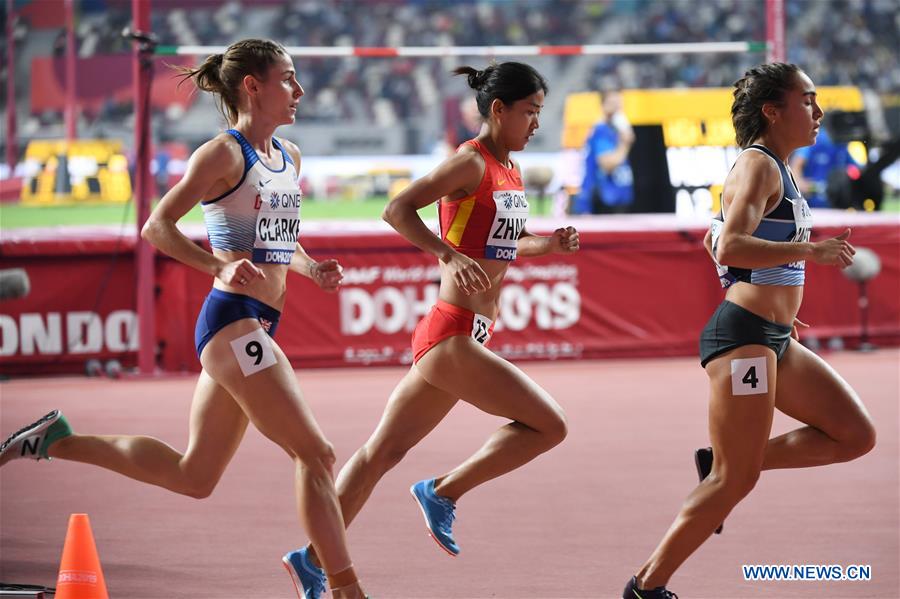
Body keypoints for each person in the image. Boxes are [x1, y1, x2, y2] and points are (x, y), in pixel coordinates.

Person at [0, 39, 367, 599]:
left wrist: (313, 269)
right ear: (253, 86)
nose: (298, 91)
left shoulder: (289, 155)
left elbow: (279, 241)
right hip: (232, 321)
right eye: (288, 79)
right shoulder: (223, 154)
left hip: (262, 322)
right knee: (315, 453)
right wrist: (216, 262)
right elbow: (157, 226)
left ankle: (56, 440)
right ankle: (344, 589)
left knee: (193, 477)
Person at [282, 61, 580, 598]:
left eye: (539, 111)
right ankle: (442, 492)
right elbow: (397, 209)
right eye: (530, 112)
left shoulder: (509, 168)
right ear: (498, 110)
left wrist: (548, 245)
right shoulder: (469, 162)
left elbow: (503, 243)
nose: (537, 123)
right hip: (453, 334)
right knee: (550, 425)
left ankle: (311, 558)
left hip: (465, 335)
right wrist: (445, 254)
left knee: (380, 454)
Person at [622, 63, 876, 599]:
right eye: (807, 100)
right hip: (745, 338)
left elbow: (722, 245)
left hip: (774, 337)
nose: (818, 111)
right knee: (734, 482)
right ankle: (646, 587)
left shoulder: (776, 170)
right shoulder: (758, 166)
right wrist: (809, 251)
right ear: (772, 110)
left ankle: (721, 460)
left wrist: (780, 290)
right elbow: (731, 244)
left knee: (855, 435)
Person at [572, 88, 634, 215]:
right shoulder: (601, 130)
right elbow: (607, 164)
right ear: (603, 106)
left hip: (616, 195)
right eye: (613, 103)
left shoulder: (615, 130)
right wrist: (625, 143)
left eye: (619, 103)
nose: (617, 107)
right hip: (603, 197)